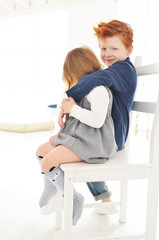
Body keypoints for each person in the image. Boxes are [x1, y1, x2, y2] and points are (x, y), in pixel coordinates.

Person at [58, 19, 137, 214]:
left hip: (113, 137)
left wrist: (69, 98)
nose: (107, 54)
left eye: (114, 49)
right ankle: (105, 199)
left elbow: (96, 78)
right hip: (109, 133)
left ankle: (65, 194)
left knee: (77, 144)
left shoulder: (123, 70)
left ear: (129, 50)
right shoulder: (115, 71)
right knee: (74, 140)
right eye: (103, 48)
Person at [36, 46, 117, 225]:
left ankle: (71, 197)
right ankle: (53, 188)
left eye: (71, 77)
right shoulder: (84, 91)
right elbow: (78, 120)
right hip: (80, 138)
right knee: (41, 151)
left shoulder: (99, 90)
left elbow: (97, 121)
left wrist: (74, 109)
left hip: (93, 143)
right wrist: (66, 112)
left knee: (47, 162)